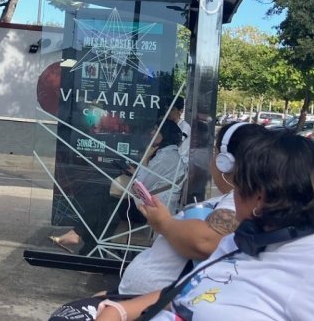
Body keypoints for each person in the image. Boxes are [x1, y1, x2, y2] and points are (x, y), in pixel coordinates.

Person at [82, 131, 314, 321]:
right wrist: (122, 309)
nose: (233, 193)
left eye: (239, 186)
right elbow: (189, 289)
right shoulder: (243, 241)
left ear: (259, 196)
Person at [48, 123, 268, 320]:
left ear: (224, 162)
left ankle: (79, 236)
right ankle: (80, 237)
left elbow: (206, 242)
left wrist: (163, 223)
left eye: (215, 153)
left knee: (107, 203)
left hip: (151, 306)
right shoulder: (227, 199)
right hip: (135, 300)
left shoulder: (236, 201)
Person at [50, 117, 186, 255]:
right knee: (104, 200)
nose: (151, 133)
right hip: (152, 205)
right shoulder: (166, 154)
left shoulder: (166, 157)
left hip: (152, 210)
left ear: (165, 134)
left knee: (105, 204)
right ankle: (85, 243)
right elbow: (149, 178)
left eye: (156, 130)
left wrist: (140, 165)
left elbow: (141, 185)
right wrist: (135, 171)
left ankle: (85, 243)